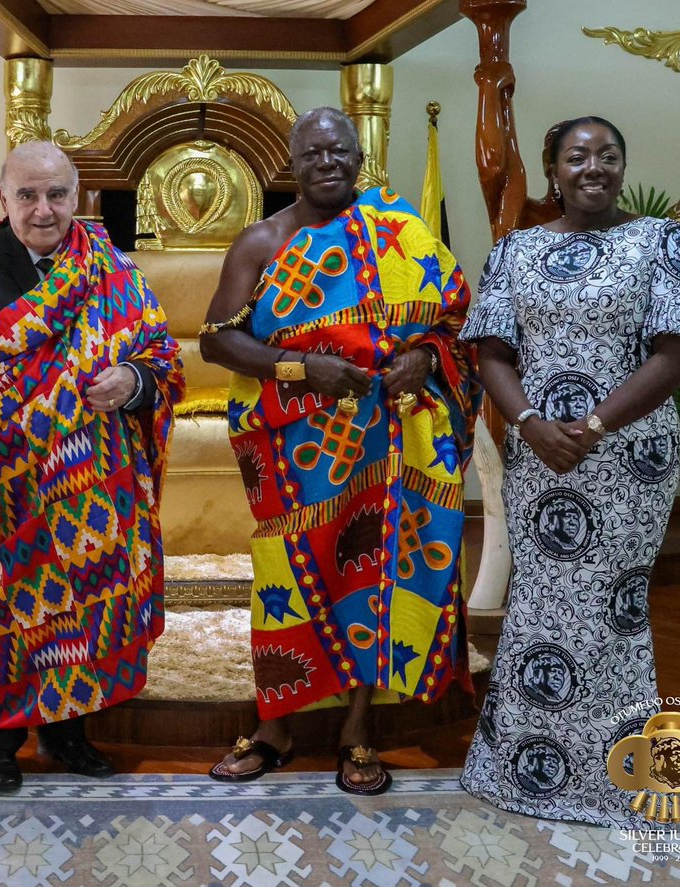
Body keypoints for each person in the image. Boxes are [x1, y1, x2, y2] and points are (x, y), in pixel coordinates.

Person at [201, 107, 480, 796]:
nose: (328, 162)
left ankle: (359, 730)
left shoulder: (401, 232)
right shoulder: (261, 242)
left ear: (361, 157)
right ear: (290, 163)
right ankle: (277, 726)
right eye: (313, 152)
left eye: (340, 151)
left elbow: (459, 320)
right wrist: (303, 370)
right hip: (299, 453)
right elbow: (216, 339)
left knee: (374, 580)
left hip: (391, 443)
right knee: (288, 582)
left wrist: (424, 355)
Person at [459, 116, 680, 827]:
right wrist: (532, 425)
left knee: (615, 607)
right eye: (578, 156)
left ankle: (621, 775)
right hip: (540, 459)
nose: (593, 167)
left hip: (629, 457)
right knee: (539, 603)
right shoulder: (515, 249)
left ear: (623, 167)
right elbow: (491, 351)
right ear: (554, 170)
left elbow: (678, 351)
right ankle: (520, 768)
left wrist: (596, 424)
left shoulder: (660, 240)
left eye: (608, 155)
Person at [0, 140, 183, 793]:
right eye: (28, 195)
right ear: (3, 196)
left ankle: (67, 734)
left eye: (57, 194)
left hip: (98, 491)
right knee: (5, 612)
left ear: (77, 198)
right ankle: (0, 739)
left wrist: (136, 381)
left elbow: (164, 357)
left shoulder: (113, 269)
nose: (44, 209)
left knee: (86, 612)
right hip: (7, 494)